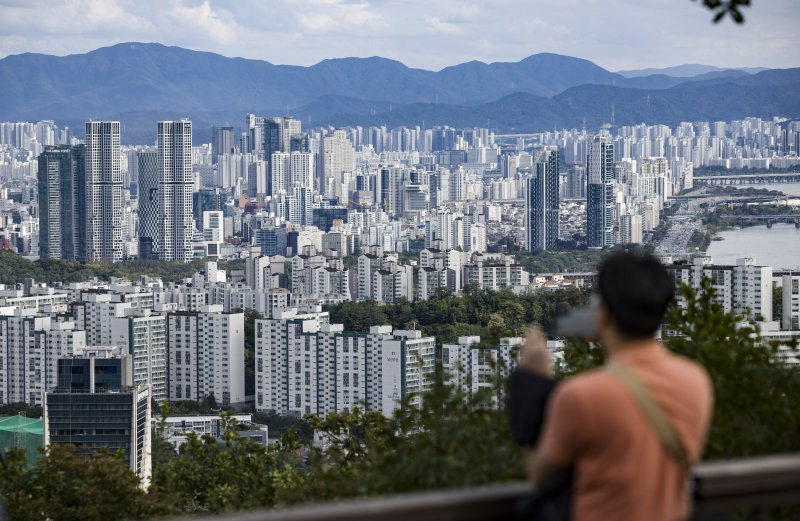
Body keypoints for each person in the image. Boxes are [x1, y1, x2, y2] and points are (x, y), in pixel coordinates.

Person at [511, 253, 714, 521]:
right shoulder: (695, 380)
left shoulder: (583, 395)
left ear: (604, 313)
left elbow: (540, 474)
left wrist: (532, 382)